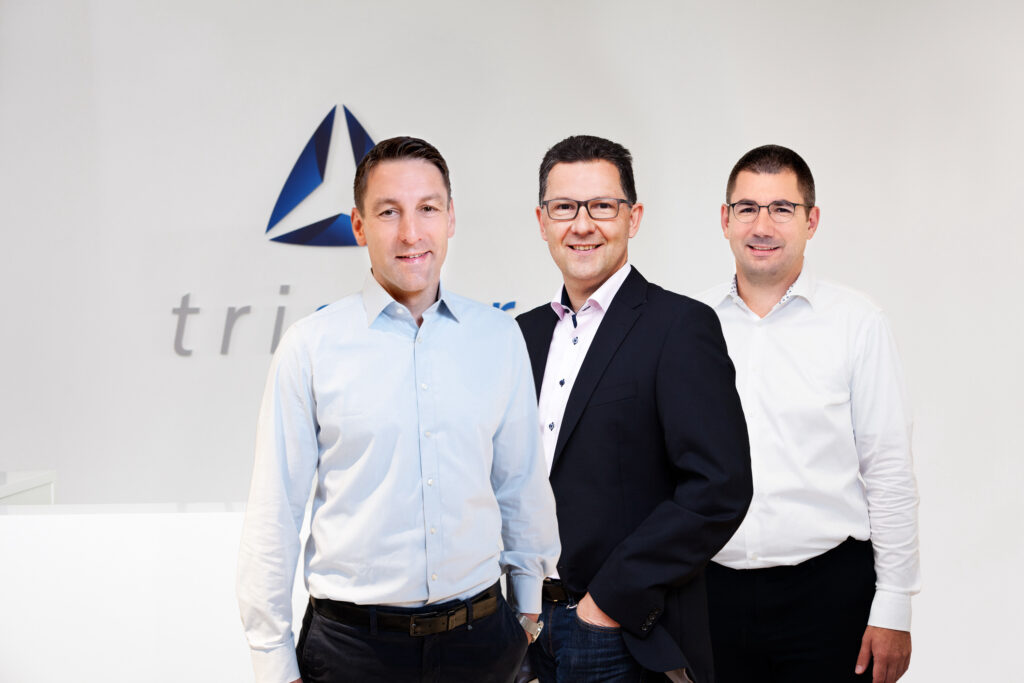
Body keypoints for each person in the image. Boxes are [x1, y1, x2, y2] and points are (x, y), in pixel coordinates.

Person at [236, 136, 560, 683]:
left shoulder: (497, 337)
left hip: (481, 644)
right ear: (359, 226)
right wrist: (273, 661)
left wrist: (527, 606)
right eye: (389, 212)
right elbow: (275, 514)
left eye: (427, 208)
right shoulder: (310, 347)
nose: (411, 233)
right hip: (352, 651)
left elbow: (521, 483)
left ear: (451, 218)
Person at [515, 135, 752, 683]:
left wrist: (607, 603)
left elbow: (719, 488)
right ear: (543, 221)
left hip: (621, 631)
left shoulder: (679, 327)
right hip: (524, 631)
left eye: (602, 206)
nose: (582, 225)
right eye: (564, 208)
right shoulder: (521, 336)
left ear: (633, 217)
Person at [700, 144, 921, 683]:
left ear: (811, 220)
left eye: (782, 208)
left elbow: (888, 469)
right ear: (725, 220)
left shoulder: (857, 323)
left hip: (828, 593)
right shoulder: (689, 323)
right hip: (708, 594)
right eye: (747, 208)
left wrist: (895, 602)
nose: (762, 226)